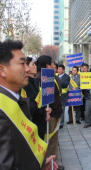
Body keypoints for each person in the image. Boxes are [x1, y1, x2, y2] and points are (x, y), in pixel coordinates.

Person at [0, 40, 58, 170]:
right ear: (2, 70)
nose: (27, 69)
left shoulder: (14, 99)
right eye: (22, 63)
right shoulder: (2, 109)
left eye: (27, 63)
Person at [36, 55, 64, 170]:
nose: (54, 65)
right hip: (50, 115)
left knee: (53, 140)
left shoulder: (52, 77)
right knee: (50, 141)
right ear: (47, 65)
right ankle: (50, 164)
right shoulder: (41, 79)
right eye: (52, 63)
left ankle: (54, 163)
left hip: (56, 113)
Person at [23, 57, 51, 140]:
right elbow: (31, 105)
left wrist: (46, 110)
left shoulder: (36, 81)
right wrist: (43, 114)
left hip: (41, 122)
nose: (35, 66)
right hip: (33, 123)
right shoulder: (25, 84)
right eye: (32, 64)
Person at [57, 64, 70, 129]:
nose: (58, 70)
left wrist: (57, 82)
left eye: (60, 69)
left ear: (63, 70)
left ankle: (61, 123)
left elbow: (65, 84)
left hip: (63, 96)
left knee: (62, 109)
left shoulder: (66, 76)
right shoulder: (56, 75)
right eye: (58, 69)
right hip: (56, 96)